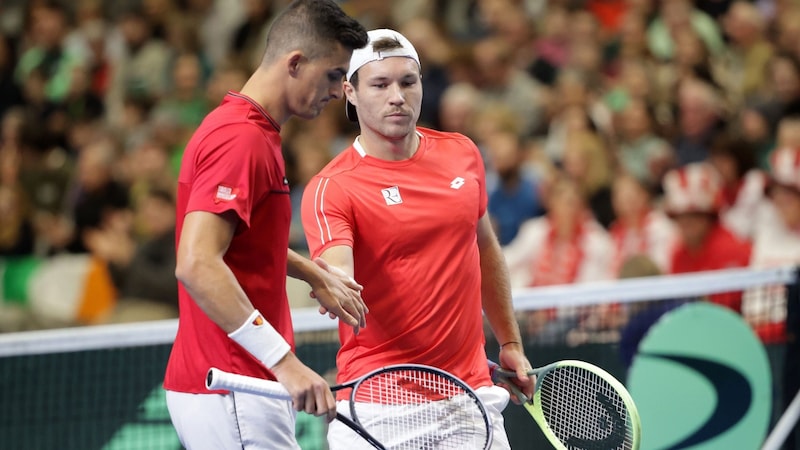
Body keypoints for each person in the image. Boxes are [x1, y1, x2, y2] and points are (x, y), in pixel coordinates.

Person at [300, 29, 532, 449]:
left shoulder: (462, 153)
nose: (397, 96)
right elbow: (339, 274)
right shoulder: (332, 188)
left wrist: (510, 342)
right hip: (380, 409)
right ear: (350, 93)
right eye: (380, 84)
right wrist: (334, 287)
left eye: (408, 82)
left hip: (471, 400)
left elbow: (484, 249)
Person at [163, 2, 368, 449]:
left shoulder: (244, 129)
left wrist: (311, 270)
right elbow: (197, 263)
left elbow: (242, 242)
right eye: (334, 74)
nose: (339, 91)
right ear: (295, 62)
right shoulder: (241, 139)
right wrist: (285, 363)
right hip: (235, 385)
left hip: (234, 385)